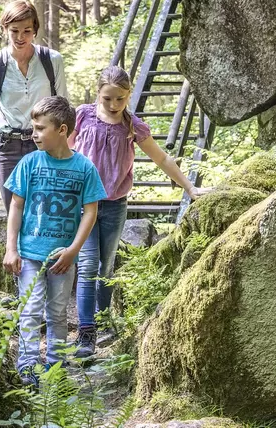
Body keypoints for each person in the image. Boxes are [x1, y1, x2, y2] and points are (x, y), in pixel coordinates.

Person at [68, 65, 210, 357]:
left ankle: (103, 320)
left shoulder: (132, 126)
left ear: (128, 95)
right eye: (107, 98)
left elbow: (162, 158)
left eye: (120, 99)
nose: (113, 105)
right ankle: (85, 333)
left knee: (106, 266)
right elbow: (63, 153)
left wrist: (190, 188)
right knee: (89, 265)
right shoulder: (82, 117)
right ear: (99, 94)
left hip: (115, 205)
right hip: (84, 204)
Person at [3, 96, 107, 386]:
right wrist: (11, 248)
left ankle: (56, 368)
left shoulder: (84, 168)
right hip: (30, 253)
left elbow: (91, 211)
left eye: (39, 128)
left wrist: (74, 251)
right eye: (33, 128)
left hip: (63, 257)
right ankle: (26, 367)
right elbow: (16, 206)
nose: (33, 134)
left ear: (62, 130)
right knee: (30, 309)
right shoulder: (29, 163)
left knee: (58, 312)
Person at [0, 0, 68, 212]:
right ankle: (13, 247)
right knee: (15, 214)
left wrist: (67, 152)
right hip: (8, 147)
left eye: (27, 30)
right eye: (14, 30)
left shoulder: (52, 61)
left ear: (35, 29)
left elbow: (64, 107)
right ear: (5, 29)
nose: (20, 37)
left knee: (46, 213)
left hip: (46, 144)